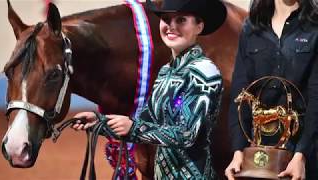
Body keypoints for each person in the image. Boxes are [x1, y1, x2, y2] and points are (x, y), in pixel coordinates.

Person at [72, 0, 227, 179]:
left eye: (181, 20)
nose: (171, 26)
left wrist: (133, 129)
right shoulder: (166, 71)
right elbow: (147, 121)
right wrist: (100, 122)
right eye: (166, 19)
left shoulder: (204, 72)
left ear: (199, 26)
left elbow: (187, 134)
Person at [225, 0, 318, 179]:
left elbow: (316, 96)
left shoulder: (314, 27)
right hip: (258, 153)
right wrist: (238, 150)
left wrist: (301, 156)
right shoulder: (251, 28)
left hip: (303, 154)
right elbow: (241, 92)